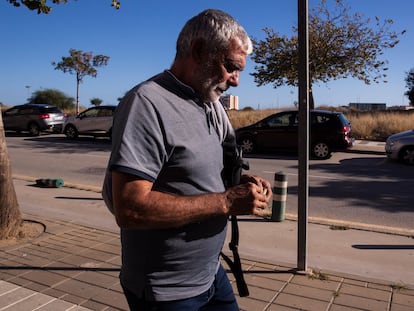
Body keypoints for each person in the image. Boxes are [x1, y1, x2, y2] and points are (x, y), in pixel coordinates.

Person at [102, 8, 272, 311]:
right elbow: (129, 208)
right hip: (167, 291)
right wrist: (227, 202)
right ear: (198, 50)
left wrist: (242, 183)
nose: (235, 81)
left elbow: (206, 170)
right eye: (231, 67)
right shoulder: (146, 104)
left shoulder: (211, 103)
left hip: (210, 274)